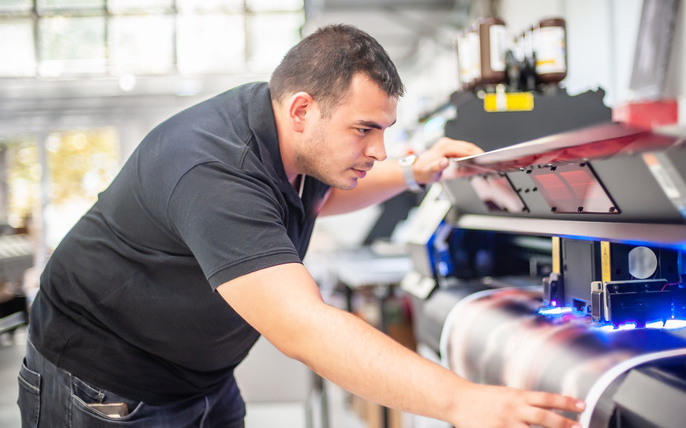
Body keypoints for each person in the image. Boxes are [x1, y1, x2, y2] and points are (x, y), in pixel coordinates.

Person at [18, 24, 585, 428]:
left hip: (201, 378)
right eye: (364, 130)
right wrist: (463, 402)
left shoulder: (291, 141)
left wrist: (415, 170)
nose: (377, 148)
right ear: (301, 110)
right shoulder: (214, 168)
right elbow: (305, 330)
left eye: (384, 131)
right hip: (105, 386)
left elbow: (320, 198)